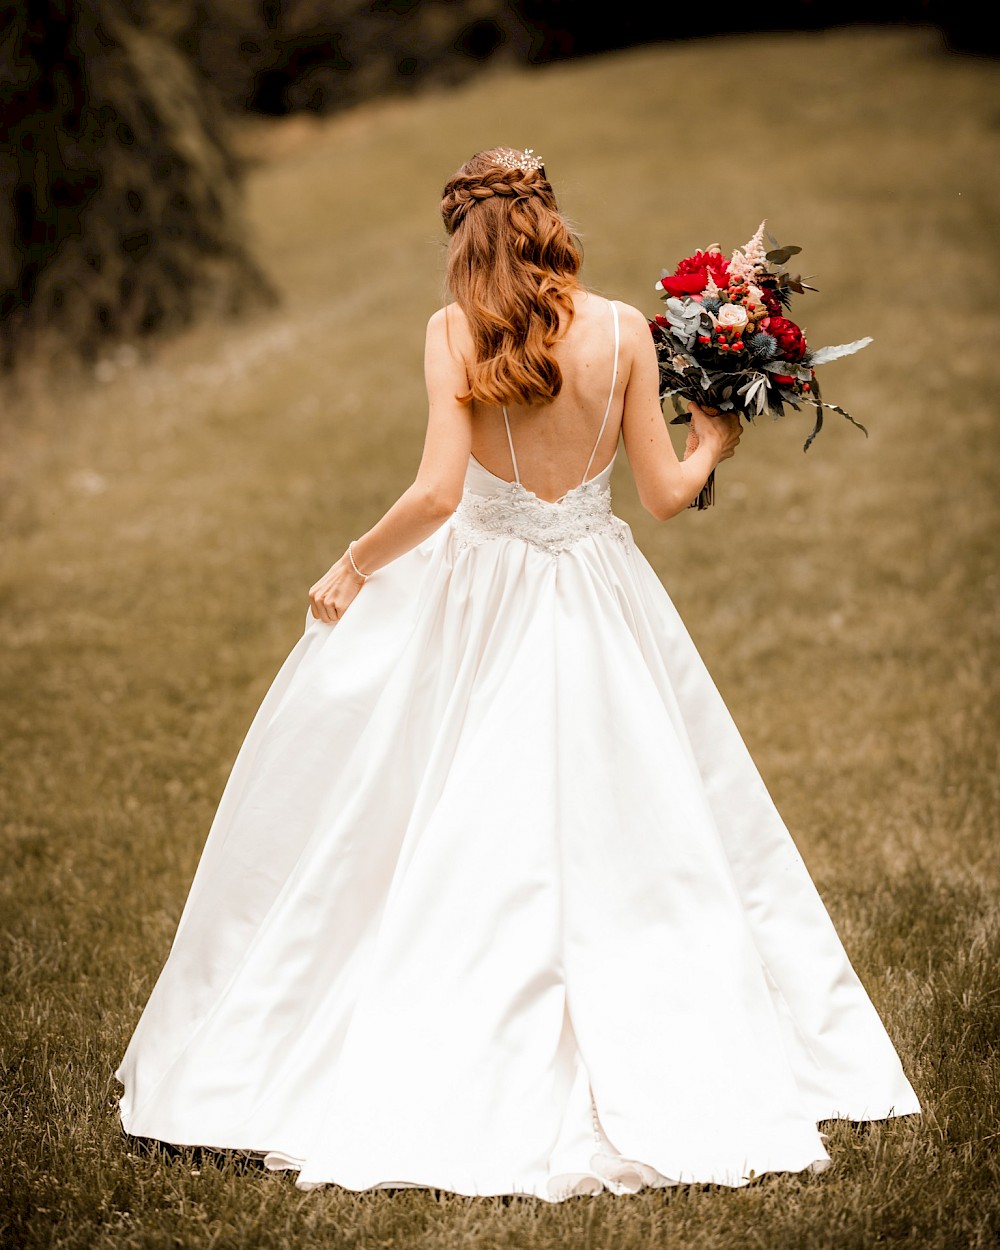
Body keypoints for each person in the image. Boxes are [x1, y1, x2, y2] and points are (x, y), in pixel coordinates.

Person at [115, 146, 920, 1201]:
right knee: (635, 808)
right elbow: (665, 496)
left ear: (466, 237)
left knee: (427, 795)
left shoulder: (454, 333)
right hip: (594, 592)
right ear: (547, 221)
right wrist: (713, 439)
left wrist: (353, 563)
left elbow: (439, 494)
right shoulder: (628, 329)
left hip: (477, 596)